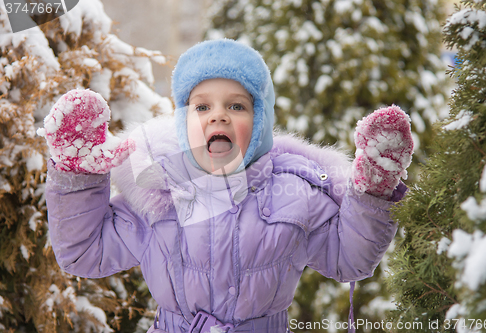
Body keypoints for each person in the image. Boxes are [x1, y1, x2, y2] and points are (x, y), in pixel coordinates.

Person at [40, 39, 413, 333]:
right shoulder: (159, 195)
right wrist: (78, 177)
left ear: (261, 122)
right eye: (201, 107)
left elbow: (349, 259)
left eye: (236, 106)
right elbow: (84, 253)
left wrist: (371, 194)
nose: (218, 114)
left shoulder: (294, 193)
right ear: (182, 122)